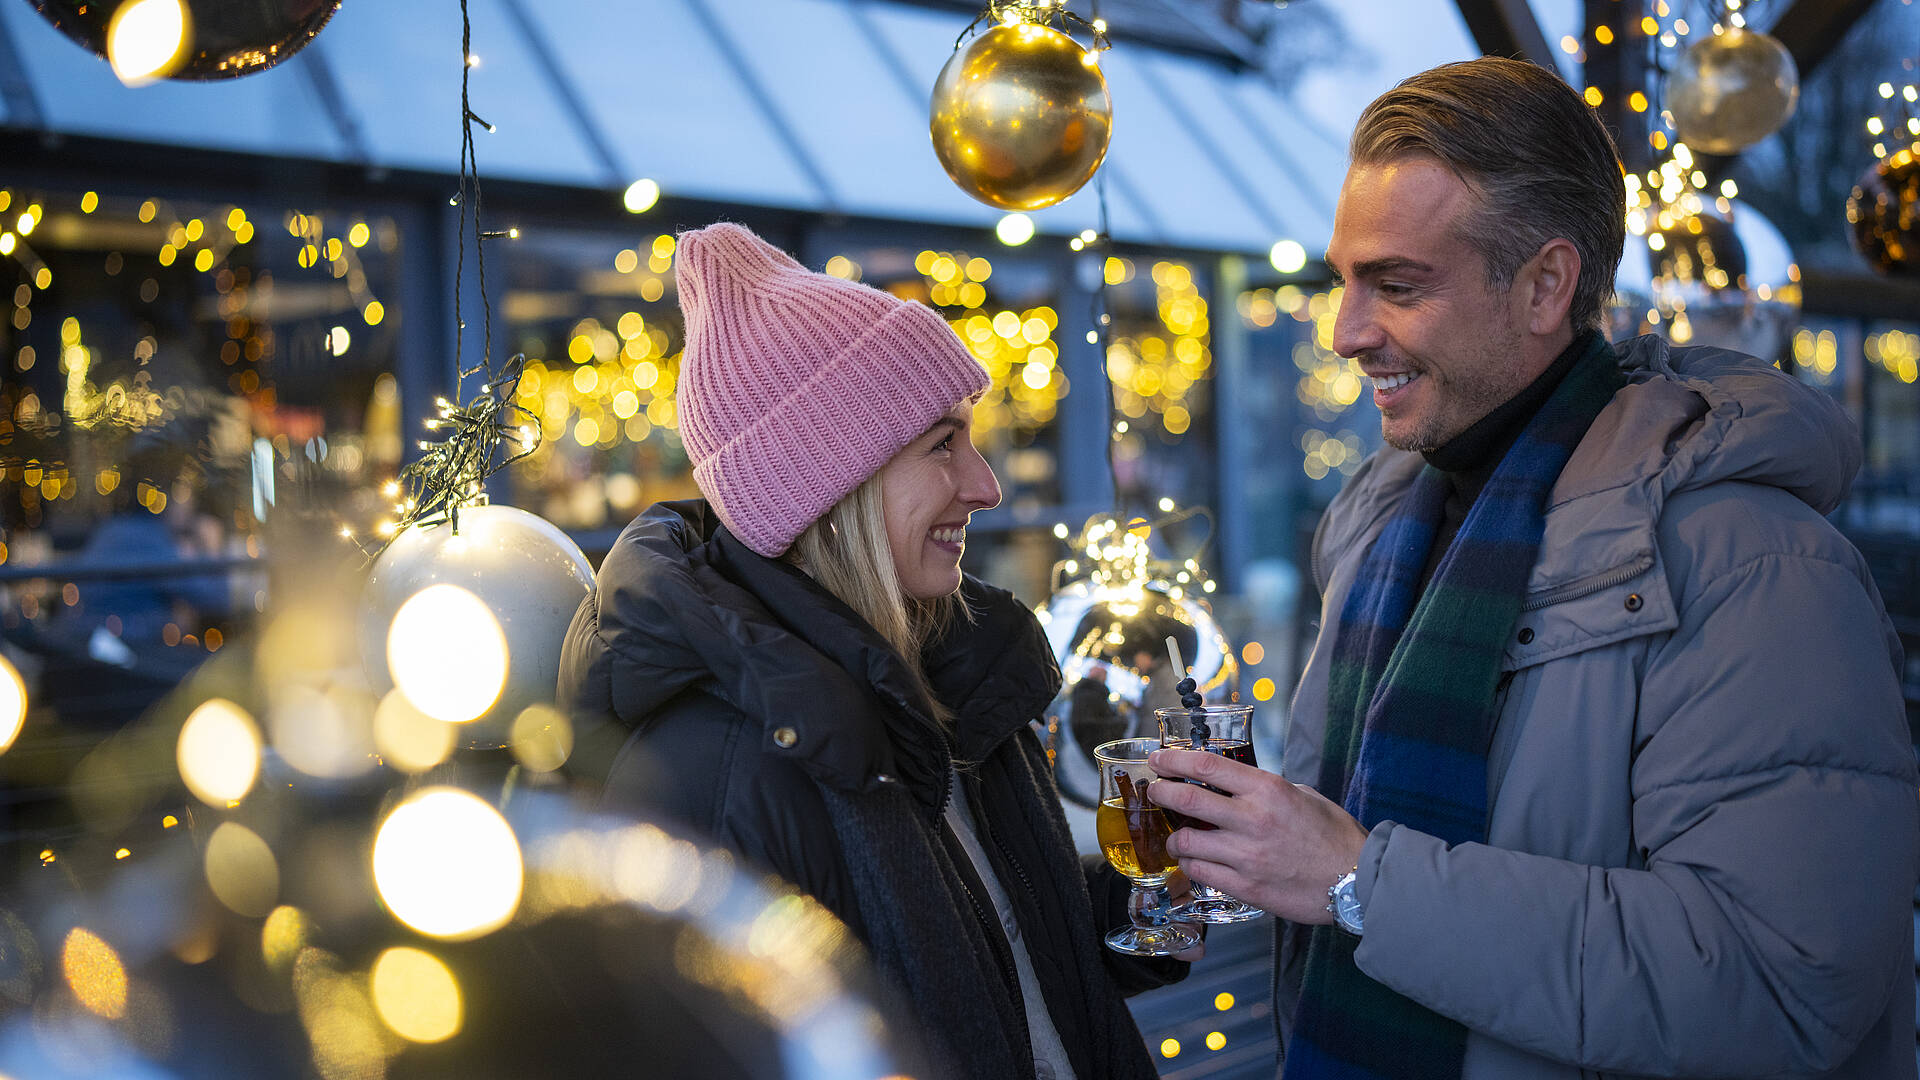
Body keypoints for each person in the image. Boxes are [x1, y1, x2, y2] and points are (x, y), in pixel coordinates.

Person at [1146, 56, 1919, 1079]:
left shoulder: (1753, 565)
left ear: (1547, 284)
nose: (1346, 331)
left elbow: (1783, 990)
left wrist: (1358, 879)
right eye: (1343, 281)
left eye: (1398, 285)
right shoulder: (1375, 527)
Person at [558, 222, 1188, 1080]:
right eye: (942, 446)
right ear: (832, 486)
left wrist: (1162, 881)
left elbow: (1016, 940)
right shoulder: (721, 772)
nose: (986, 485)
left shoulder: (954, 668)